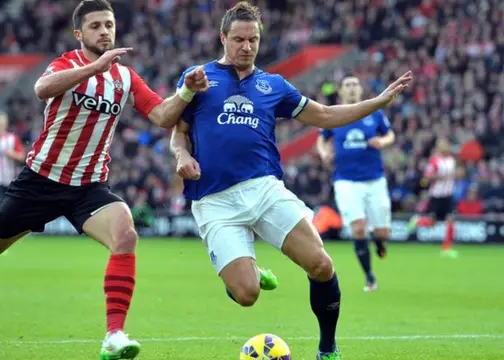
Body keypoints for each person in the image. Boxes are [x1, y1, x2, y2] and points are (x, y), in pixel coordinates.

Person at [0, 1, 208, 360]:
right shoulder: (67, 64)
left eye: (109, 24)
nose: (104, 31)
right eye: (95, 26)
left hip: (88, 186)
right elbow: (42, 88)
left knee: (126, 235)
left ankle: (114, 335)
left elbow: (162, 115)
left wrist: (187, 92)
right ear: (80, 34)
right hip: (40, 181)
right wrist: (94, 68)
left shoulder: (126, 78)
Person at [168, 2, 412, 359]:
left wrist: (378, 101)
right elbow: (179, 132)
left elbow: (326, 116)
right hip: (214, 201)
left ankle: (327, 348)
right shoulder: (199, 78)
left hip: (264, 190)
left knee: (321, 264)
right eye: (238, 39)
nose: (246, 47)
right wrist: (182, 155)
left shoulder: (274, 86)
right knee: (247, 294)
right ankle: (242, 275)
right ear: (223, 38)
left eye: (253, 40)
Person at [316, 75, 395, 293]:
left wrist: (383, 142)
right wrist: (324, 153)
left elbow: (390, 135)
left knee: (383, 233)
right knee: (358, 229)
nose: (352, 89)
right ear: (341, 91)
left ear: (361, 90)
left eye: (355, 85)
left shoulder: (374, 113)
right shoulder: (335, 114)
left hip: (374, 180)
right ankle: (370, 278)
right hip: (346, 180)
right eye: (347, 86)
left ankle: (380, 243)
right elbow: (322, 137)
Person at [407, 137, 458, 257]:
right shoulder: (434, 161)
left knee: (451, 219)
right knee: (433, 222)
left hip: (448, 194)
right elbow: (426, 178)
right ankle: (417, 221)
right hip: (437, 195)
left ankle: (446, 248)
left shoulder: (452, 159)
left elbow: (455, 174)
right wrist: (440, 177)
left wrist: (455, 175)